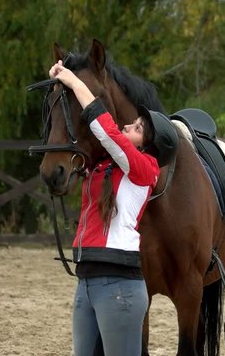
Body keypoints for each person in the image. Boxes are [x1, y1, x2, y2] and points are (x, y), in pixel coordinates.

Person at [48, 60, 177, 355]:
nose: (127, 125)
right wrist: (59, 79)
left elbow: (106, 130)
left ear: (148, 146)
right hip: (87, 280)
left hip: (118, 286)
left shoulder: (145, 168)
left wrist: (74, 81)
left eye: (137, 128)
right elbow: (86, 133)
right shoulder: (104, 166)